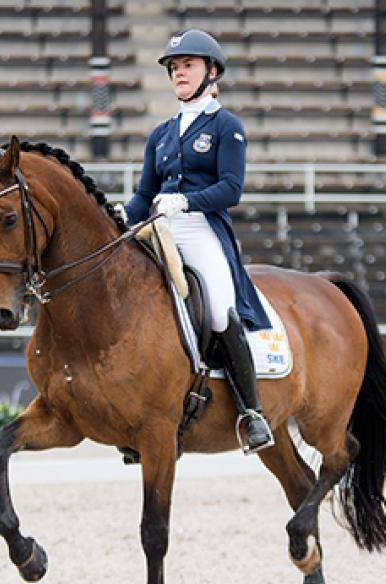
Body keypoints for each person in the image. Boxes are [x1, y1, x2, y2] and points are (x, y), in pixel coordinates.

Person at [122, 28, 274, 455]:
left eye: (187, 66)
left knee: (222, 313)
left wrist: (186, 201)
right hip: (159, 228)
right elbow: (142, 195)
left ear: (211, 72)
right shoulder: (162, 133)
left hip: (202, 229)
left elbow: (231, 188)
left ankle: (252, 412)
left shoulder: (227, 126)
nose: (178, 74)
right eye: (174, 68)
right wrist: (121, 217)